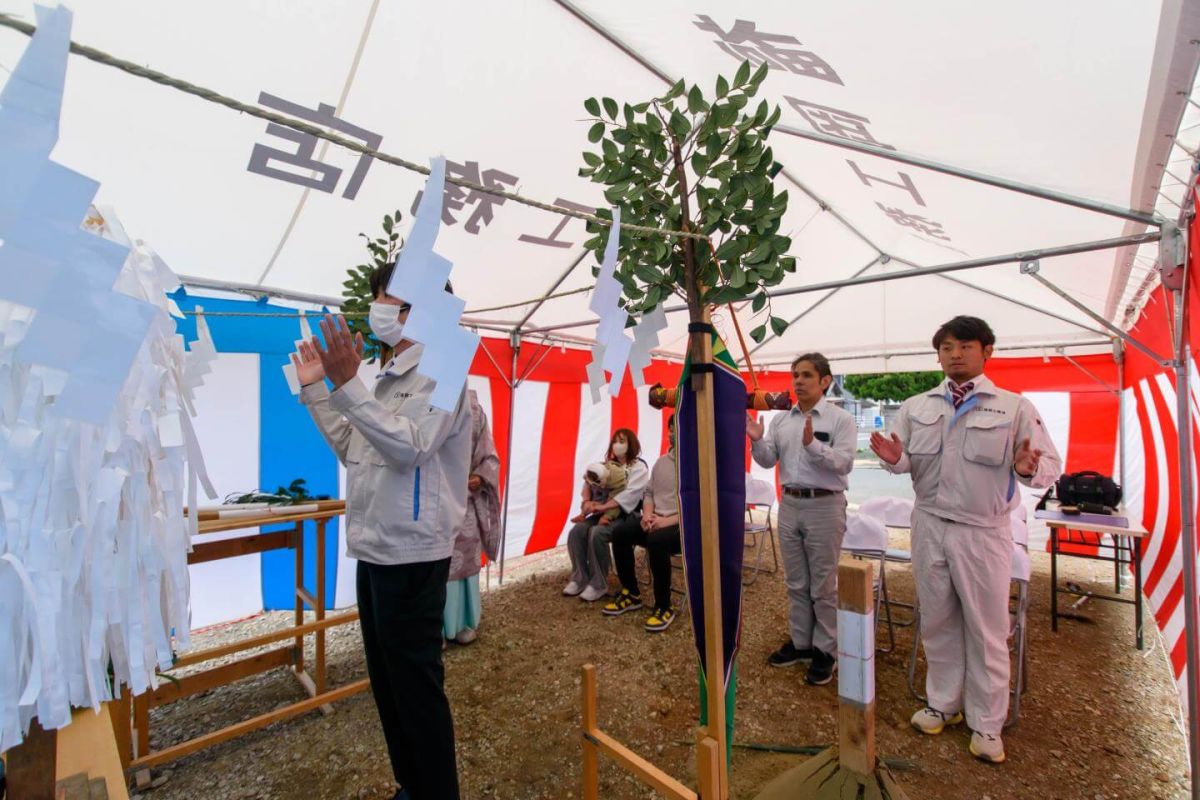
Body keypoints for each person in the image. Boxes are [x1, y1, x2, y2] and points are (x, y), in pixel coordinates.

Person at [291, 264, 470, 800]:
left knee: (416, 689)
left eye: (390, 298)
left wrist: (346, 385)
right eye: (378, 297)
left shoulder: (446, 373)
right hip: (374, 548)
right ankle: (410, 785)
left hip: (413, 554)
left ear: (427, 309)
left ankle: (436, 792)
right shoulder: (384, 374)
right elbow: (353, 447)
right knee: (389, 685)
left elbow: (411, 447)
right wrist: (319, 392)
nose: (380, 308)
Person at [870, 315, 1061, 765]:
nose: (955, 354)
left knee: (987, 627)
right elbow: (904, 461)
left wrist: (1028, 468)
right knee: (936, 618)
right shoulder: (918, 406)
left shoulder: (1014, 407)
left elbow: (1049, 467)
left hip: (983, 531)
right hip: (930, 524)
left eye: (965, 346)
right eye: (947, 347)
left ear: (986, 351)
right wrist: (896, 461)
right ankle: (943, 703)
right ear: (938, 355)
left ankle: (988, 723)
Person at [747, 352, 855, 686]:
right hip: (790, 503)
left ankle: (827, 651)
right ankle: (801, 643)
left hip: (825, 505)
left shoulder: (840, 420)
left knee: (823, 585)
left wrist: (813, 447)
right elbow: (768, 461)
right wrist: (755, 441)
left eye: (806, 375)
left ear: (825, 381)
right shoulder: (782, 420)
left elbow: (845, 463)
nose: (798, 381)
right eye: (795, 375)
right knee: (796, 582)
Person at [603, 414, 681, 632]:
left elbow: (697, 507)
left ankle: (664, 606)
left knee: (656, 541)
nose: (673, 433)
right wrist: (647, 515)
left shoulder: (698, 465)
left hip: (681, 526)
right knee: (620, 532)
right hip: (655, 519)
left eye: (678, 428)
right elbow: (648, 493)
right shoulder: (661, 463)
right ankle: (631, 593)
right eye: (671, 428)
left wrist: (664, 521)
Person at [563, 429, 649, 602]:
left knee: (597, 533)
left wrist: (601, 507)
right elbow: (589, 481)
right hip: (602, 510)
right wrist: (587, 502)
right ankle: (579, 578)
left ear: (631, 443)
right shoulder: (608, 465)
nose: (618, 445)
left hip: (627, 515)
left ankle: (598, 584)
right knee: (576, 532)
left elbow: (628, 497)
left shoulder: (639, 467)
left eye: (622, 440)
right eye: (615, 441)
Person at [444, 389, 501, 647]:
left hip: (466, 497)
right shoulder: (425, 398)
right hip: (434, 501)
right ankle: (434, 628)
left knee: (465, 563)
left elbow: (488, 453)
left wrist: (482, 474)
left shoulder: (474, 408)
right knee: (435, 567)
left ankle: (465, 621)